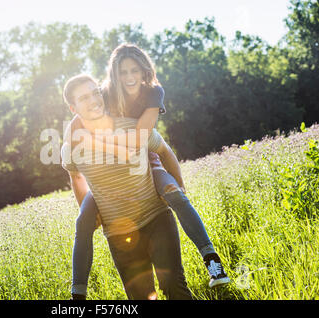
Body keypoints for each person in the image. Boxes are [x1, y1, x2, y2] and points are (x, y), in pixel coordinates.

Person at [68, 44, 229, 300]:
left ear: (145, 71)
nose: (130, 77)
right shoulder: (105, 95)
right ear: (114, 75)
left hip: (148, 159)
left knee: (175, 195)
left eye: (135, 70)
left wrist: (180, 186)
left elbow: (146, 141)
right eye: (123, 72)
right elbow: (82, 117)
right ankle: (77, 295)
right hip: (112, 191)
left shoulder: (153, 93)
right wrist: (75, 135)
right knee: (83, 219)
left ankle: (212, 261)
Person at [61, 74, 193, 300]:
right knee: (141, 297)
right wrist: (88, 210)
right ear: (74, 108)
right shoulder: (72, 146)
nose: (93, 100)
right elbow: (75, 176)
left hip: (156, 217)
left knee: (173, 286)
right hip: (118, 232)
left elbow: (164, 151)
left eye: (95, 93)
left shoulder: (131, 126)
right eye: (84, 98)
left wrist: (179, 187)